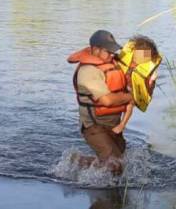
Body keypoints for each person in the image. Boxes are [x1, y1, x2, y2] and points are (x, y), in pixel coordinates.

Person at [67, 30, 133, 175]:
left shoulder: (112, 63)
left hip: (114, 124)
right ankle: (105, 195)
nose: (111, 55)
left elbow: (140, 60)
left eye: (113, 51)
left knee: (121, 163)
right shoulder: (88, 71)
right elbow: (107, 100)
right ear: (95, 49)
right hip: (94, 126)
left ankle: (78, 161)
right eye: (107, 51)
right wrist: (132, 97)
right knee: (114, 165)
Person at [112, 35, 161, 134]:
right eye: (141, 55)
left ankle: (122, 125)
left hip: (130, 89)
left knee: (130, 103)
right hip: (118, 84)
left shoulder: (147, 69)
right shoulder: (124, 58)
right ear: (134, 51)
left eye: (146, 57)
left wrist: (152, 81)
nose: (143, 59)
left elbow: (148, 89)